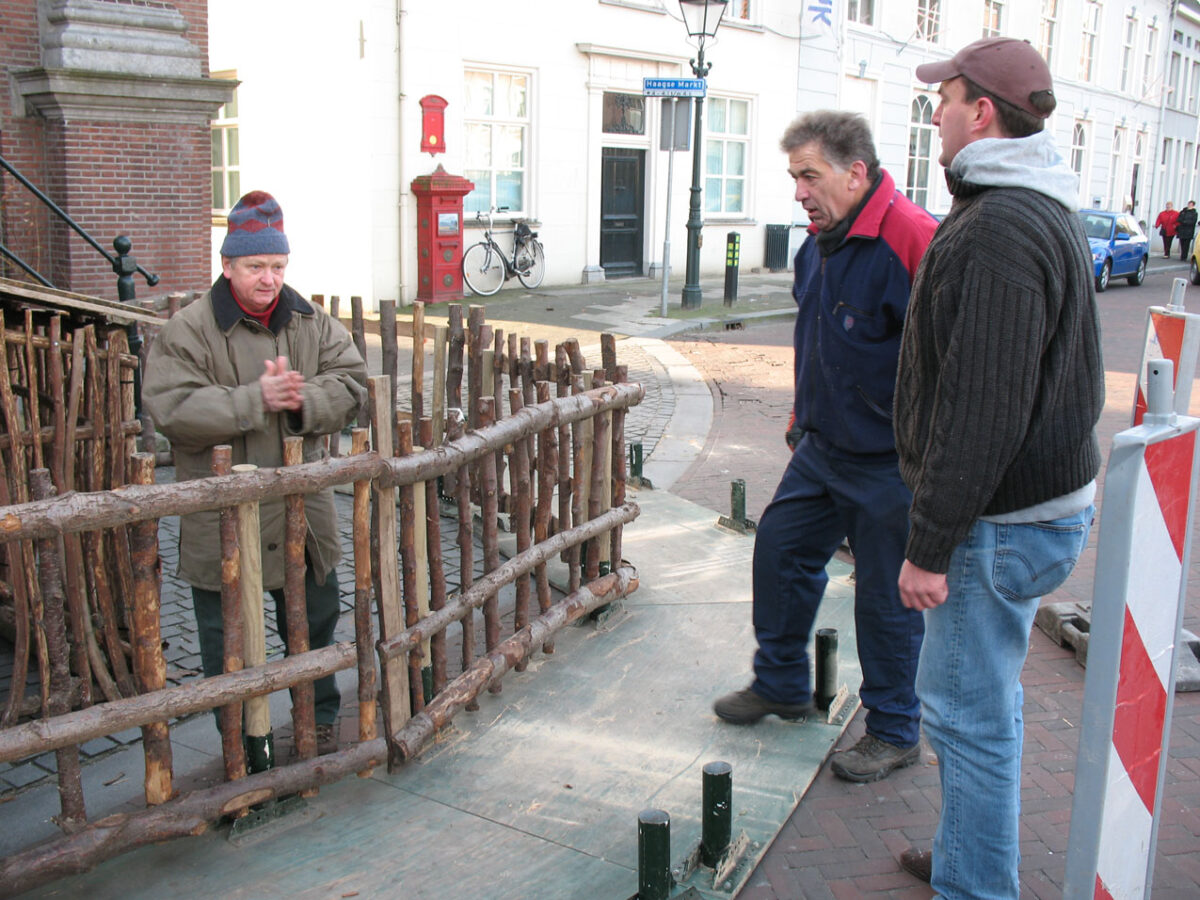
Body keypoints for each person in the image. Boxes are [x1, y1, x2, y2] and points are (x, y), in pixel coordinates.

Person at [895, 38, 1103, 897]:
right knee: (987, 704)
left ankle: (974, 886)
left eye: (941, 99)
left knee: (968, 720)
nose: (932, 113)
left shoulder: (1003, 228)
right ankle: (964, 856)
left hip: (996, 523)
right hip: (1034, 508)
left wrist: (930, 545)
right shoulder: (1031, 204)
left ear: (981, 111)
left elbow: (984, 411)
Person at [713, 110, 937, 784]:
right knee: (779, 549)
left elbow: (952, 362)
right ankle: (780, 682)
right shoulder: (816, 245)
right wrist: (799, 410)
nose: (799, 191)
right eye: (794, 176)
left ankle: (895, 731)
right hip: (821, 448)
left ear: (856, 172)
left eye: (809, 175)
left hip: (890, 465)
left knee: (884, 598)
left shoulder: (914, 241)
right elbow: (816, 339)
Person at [144, 191, 368, 756]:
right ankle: (244, 744)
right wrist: (255, 399)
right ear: (226, 266)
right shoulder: (189, 329)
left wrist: (301, 402)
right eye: (255, 267)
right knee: (229, 645)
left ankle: (318, 719)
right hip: (224, 518)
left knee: (316, 625)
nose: (268, 279)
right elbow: (172, 410)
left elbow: (352, 384)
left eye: (277, 266)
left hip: (304, 513)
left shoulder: (311, 321)